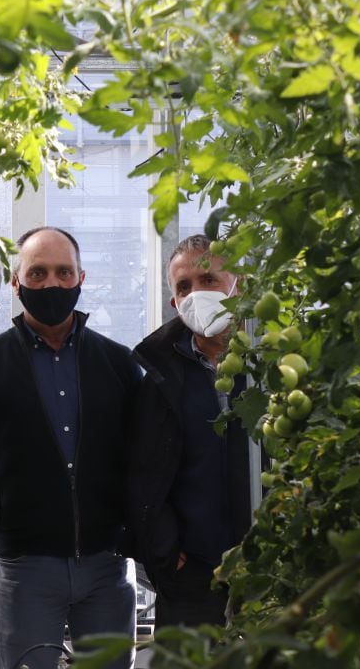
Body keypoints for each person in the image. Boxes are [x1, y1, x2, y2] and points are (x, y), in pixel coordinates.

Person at [0, 227, 141, 669]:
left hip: (106, 566)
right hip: (24, 568)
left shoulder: (120, 363)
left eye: (63, 272)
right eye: (39, 272)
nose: (52, 284)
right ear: (16, 282)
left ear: (81, 278)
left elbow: (143, 459)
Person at [128, 234, 255, 628]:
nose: (196, 294)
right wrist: (166, 552)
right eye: (184, 287)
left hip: (273, 570)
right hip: (193, 577)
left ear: (240, 286)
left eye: (208, 281)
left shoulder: (276, 365)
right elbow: (140, 472)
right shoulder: (158, 377)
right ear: (174, 304)